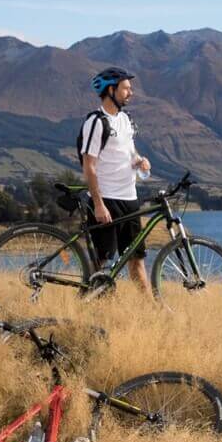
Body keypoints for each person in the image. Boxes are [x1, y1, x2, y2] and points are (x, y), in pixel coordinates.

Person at [78, 67, 152, 288]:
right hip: (107, 200)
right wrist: (99, 205)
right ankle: (85, 304)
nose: (131, 93)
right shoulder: (97, 122)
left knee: (136, 259)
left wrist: (140, 161)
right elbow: (88, 166)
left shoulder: (126, 119)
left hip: (130, 199)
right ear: (111, 90)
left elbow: (128, 154)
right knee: (101, 262)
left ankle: (151, 311)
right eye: (126, 88)